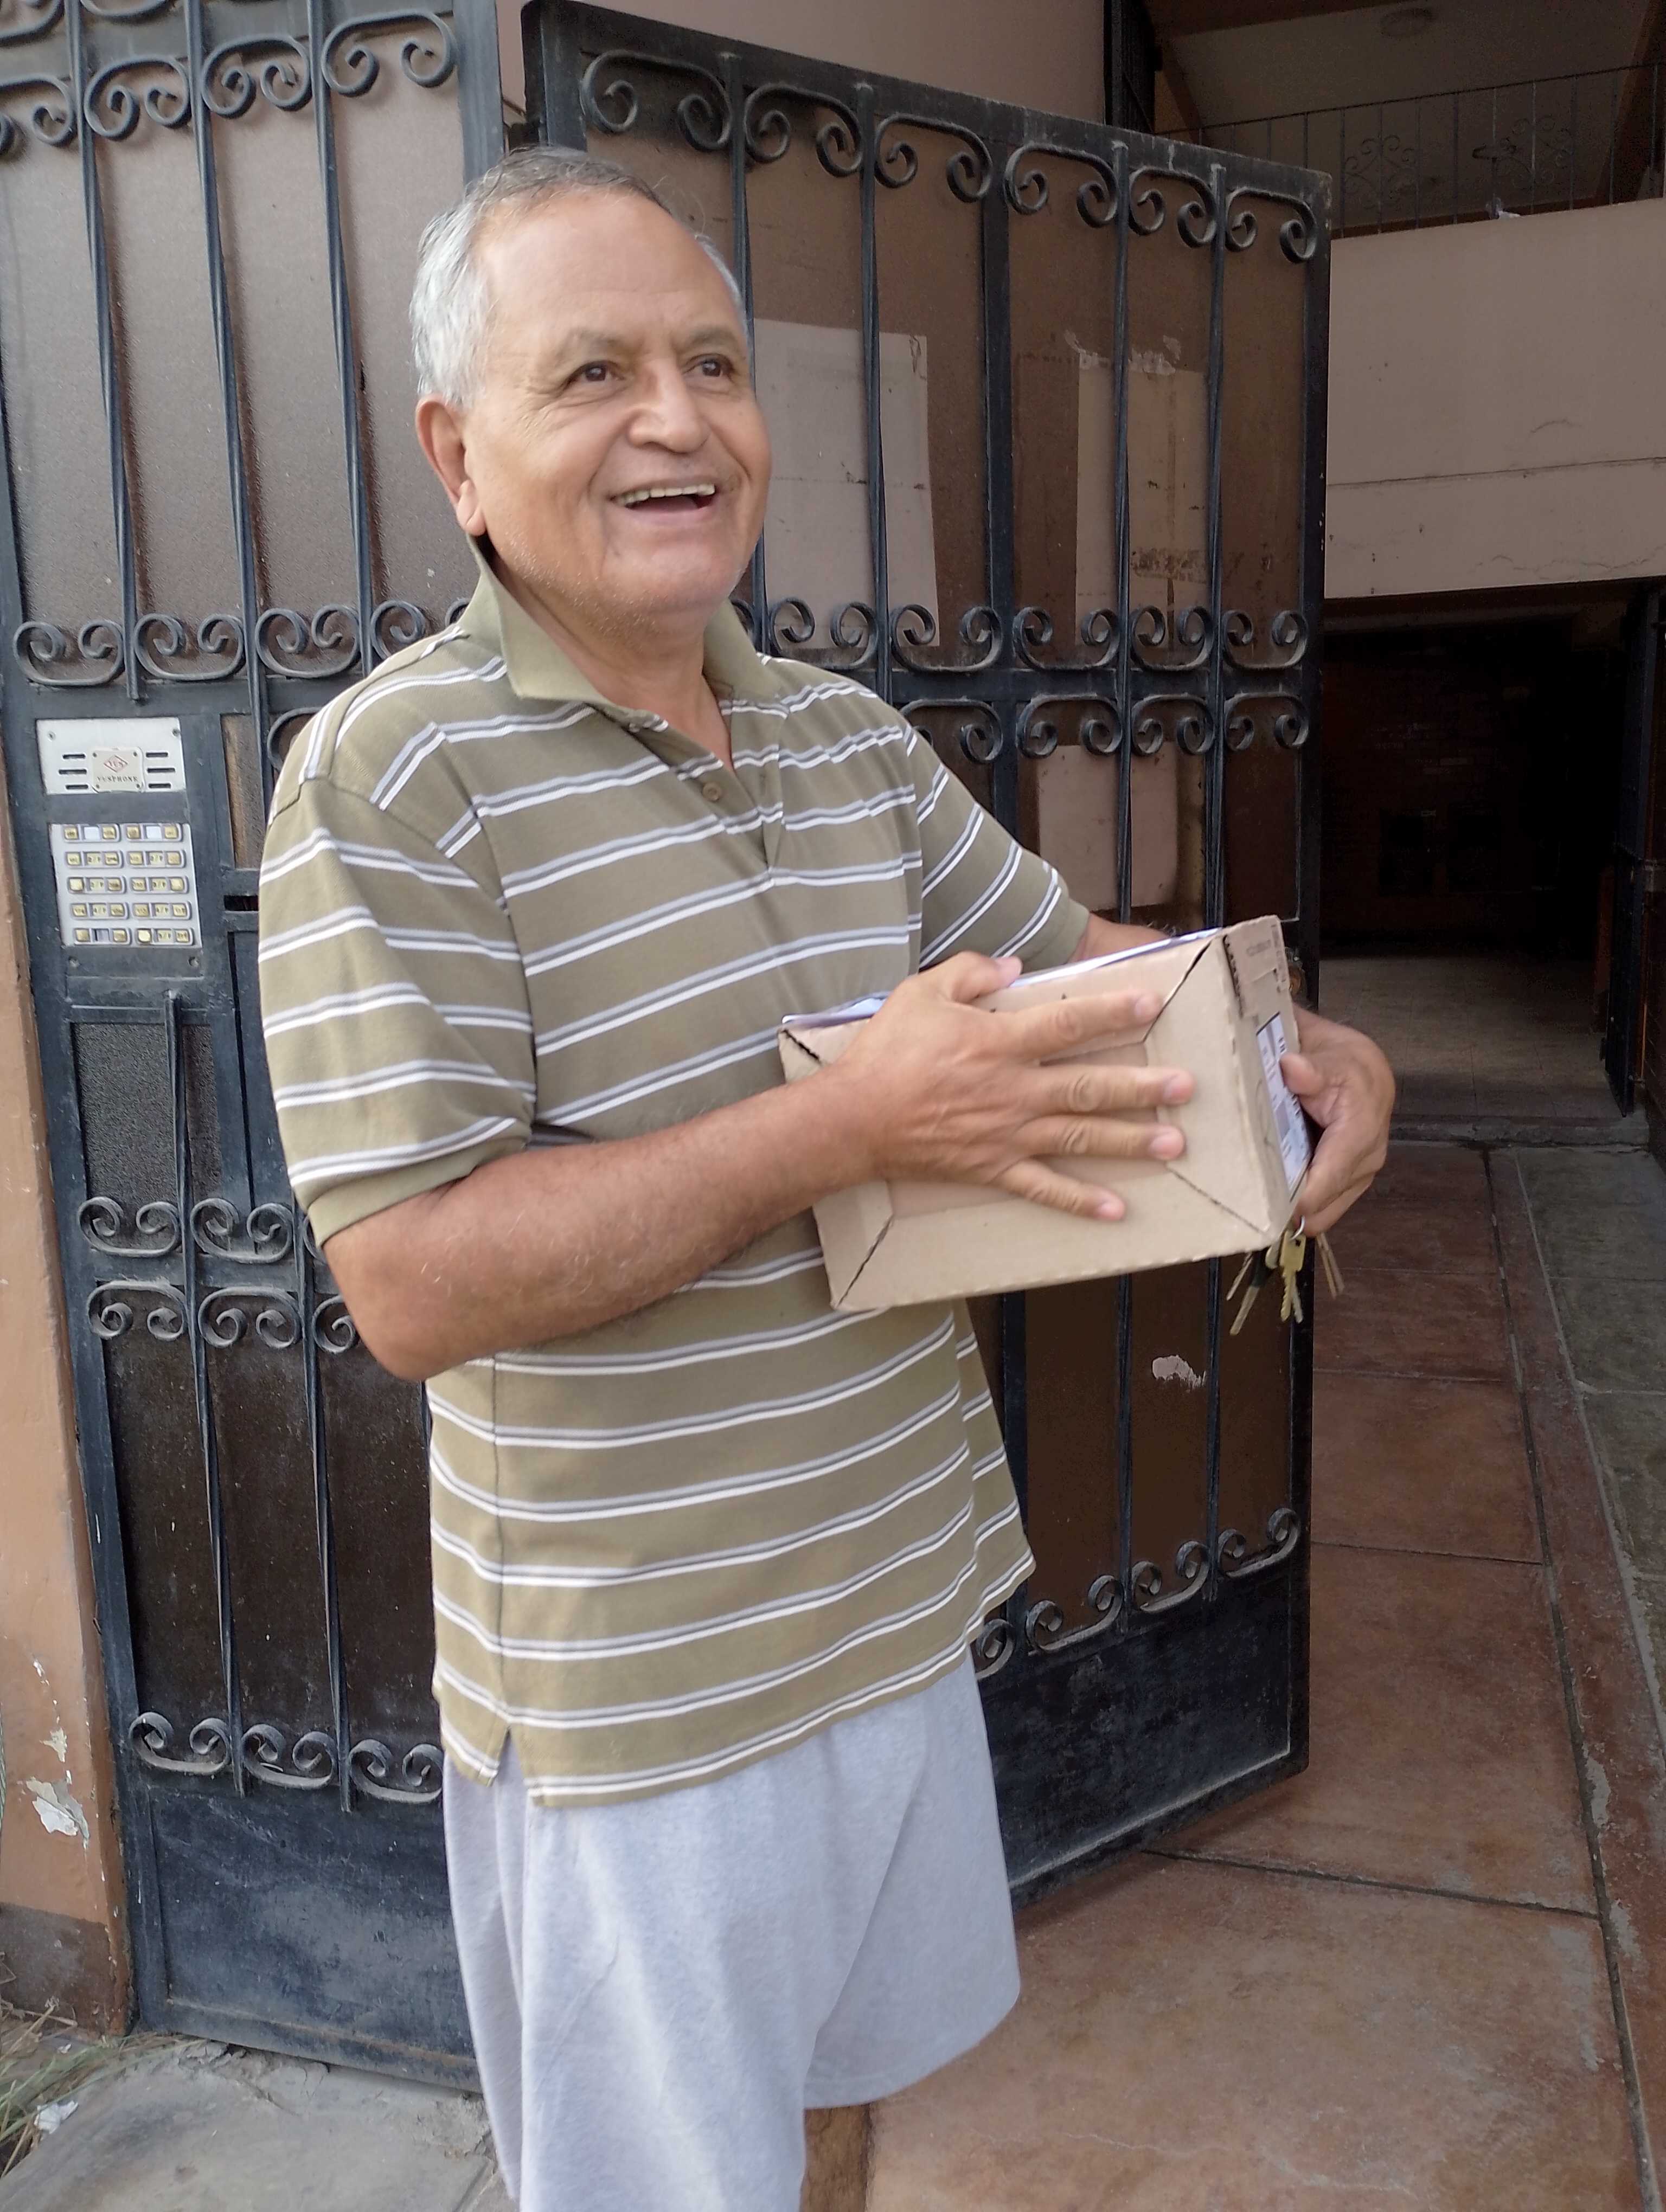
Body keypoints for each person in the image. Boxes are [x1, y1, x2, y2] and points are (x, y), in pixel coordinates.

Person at [257, 147, 1393, 2212]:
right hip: (647, 1695)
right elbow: (412, 1281)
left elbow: (1100, 972)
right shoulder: (390, 779)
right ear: (459, 457)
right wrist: (848, 1129)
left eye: (713, 362)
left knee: (841, 2108)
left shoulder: (842, 742)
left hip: (894, 1598)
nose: (676, 419)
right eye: (593, 372)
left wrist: (1311, 1047)